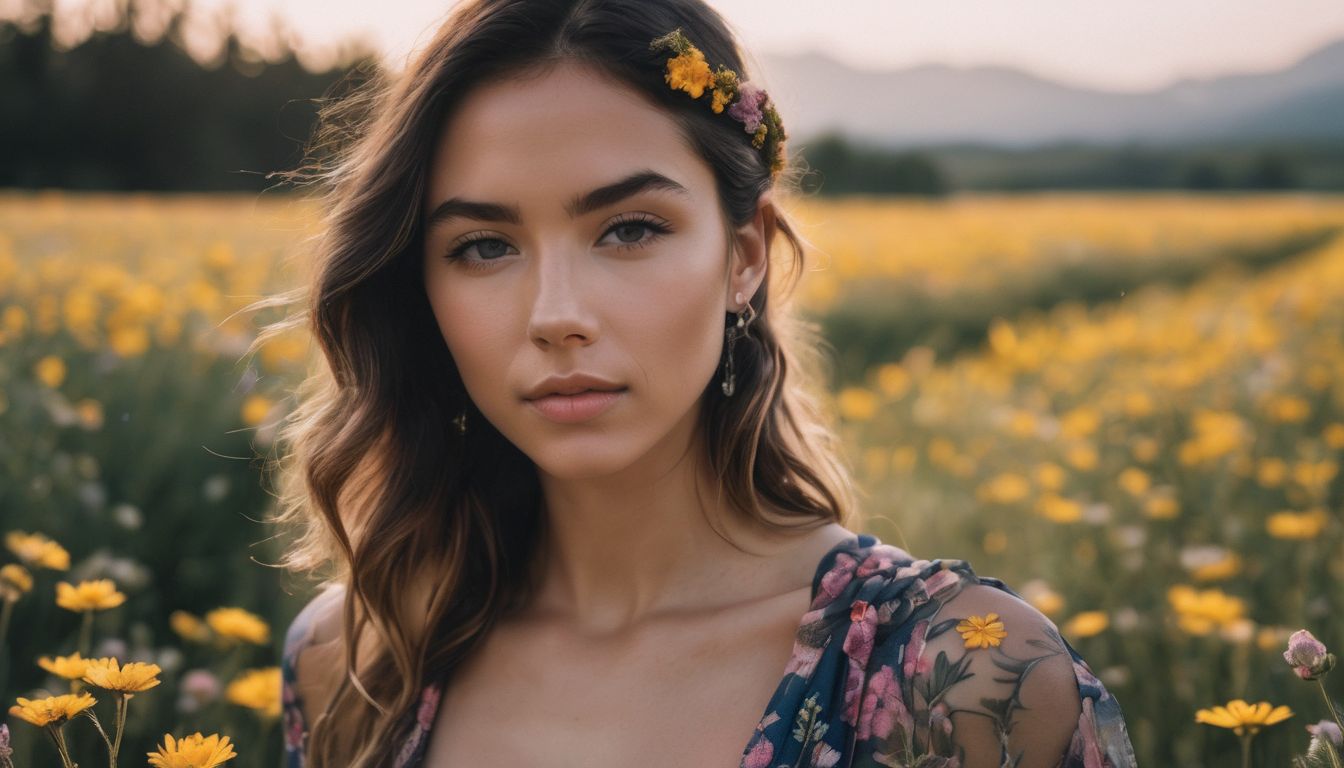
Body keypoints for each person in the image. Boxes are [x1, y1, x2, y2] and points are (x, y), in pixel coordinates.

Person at [260, 0, 1141, 766]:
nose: (554, 314)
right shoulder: (355, 666)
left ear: (744, 258)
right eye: (484, 246)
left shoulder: (965, 678)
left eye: (630, 229)